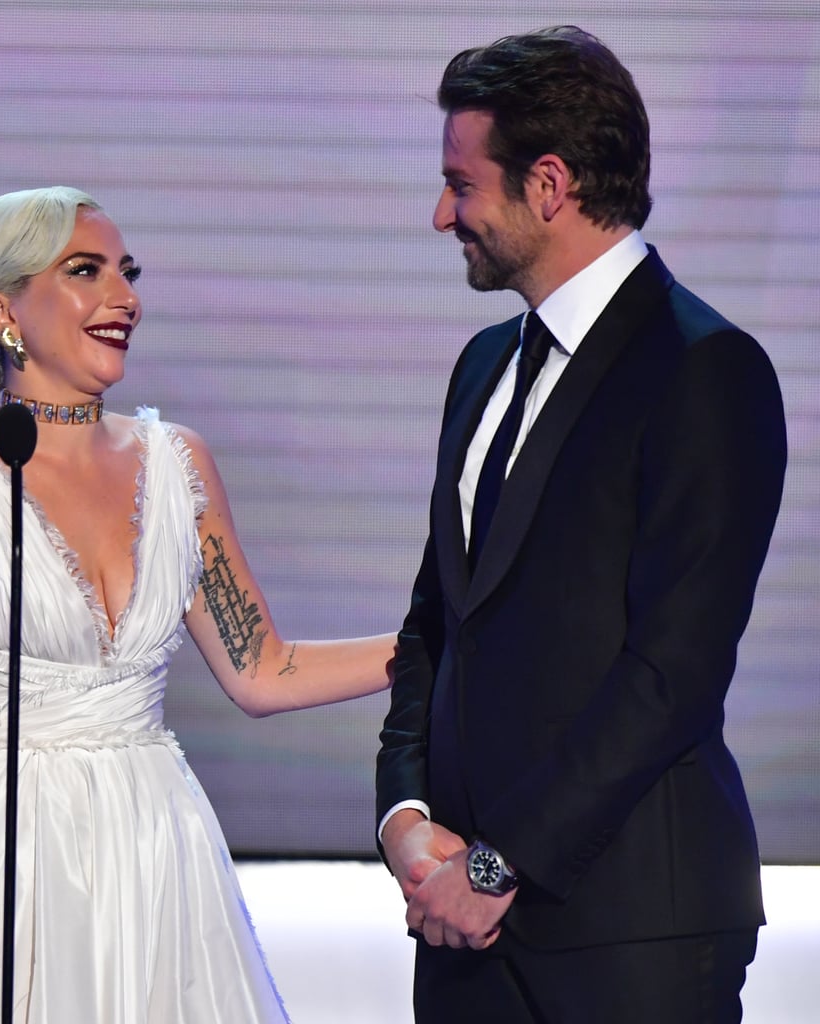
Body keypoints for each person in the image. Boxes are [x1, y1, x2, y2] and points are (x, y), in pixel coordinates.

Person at [0, 185, 395, 1023]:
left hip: (156, 846)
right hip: (2, 848)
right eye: (85, 271)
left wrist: (438, 640)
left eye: (126, 273)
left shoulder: (180, 463)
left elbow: (263, 671)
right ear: (4, 311)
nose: (125, 298)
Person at [375, 25, 786, 1024]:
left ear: (547, 184)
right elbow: (436, 620)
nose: (442, 215)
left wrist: (496, 862)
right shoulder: (481, 366)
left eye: (461, 184)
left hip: (630, 927)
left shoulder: (702, 368)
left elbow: (672, 672)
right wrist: (404, 814)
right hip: (462, 929)